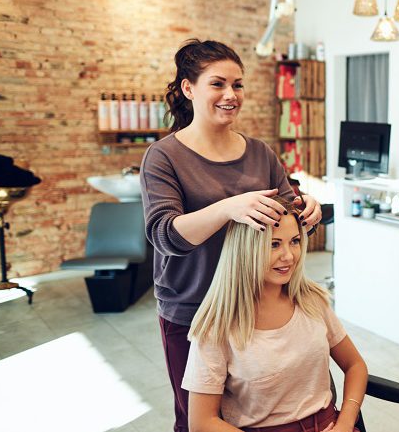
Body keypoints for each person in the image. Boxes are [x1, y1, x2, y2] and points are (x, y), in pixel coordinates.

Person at [140, 39, 322, 432]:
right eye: (218, 84)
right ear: (189, 89)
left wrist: (310, 211)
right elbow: (163, 234)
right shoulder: (164, 156)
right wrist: (228, 208)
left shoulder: (260, 153)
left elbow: (288, 215)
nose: (230, 95)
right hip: (193, 310)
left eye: (237, 85)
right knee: (199, 420)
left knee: (253, 415)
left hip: (256, 306)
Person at [183, 198, 367, 432]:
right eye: (274, 244)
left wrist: (345, 422)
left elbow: (355, 365)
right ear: (246, 250)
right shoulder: (216, 328)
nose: (289, 256)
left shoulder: (311, 301)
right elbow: (201, 423)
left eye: (295, 242)